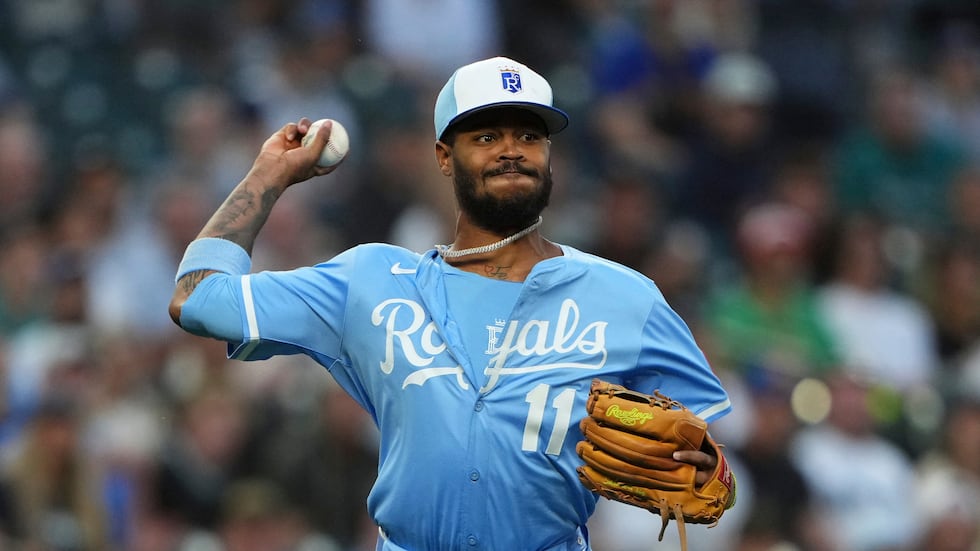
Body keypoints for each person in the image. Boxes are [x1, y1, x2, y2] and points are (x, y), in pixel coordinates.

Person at [167, 56, 733, 551]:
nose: (512, 151)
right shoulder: (370, 280)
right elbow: (197, 300)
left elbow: (710, 462)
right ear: (444, 156)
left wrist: (711, 470)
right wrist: (268, 176)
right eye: (487, 137)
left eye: (529, 136)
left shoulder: (626, 297)